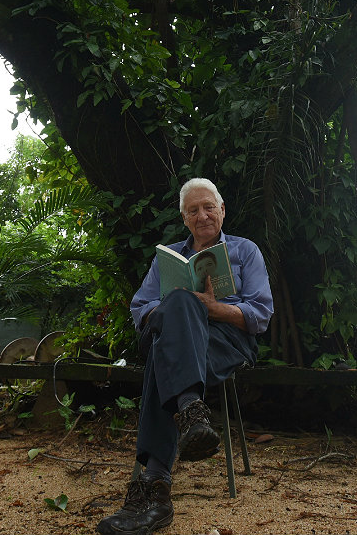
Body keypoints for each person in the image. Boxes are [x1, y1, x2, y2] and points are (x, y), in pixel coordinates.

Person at [97, 178, 274, 535]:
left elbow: (261, 313)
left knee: (164, 351)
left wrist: (213, 308)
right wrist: (177, 310)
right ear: (184, 218)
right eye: (193, 210)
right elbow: (140, 308)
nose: (202, 215)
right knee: (176, 307)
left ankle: (155, 487)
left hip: (225, 340)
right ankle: (191, 409)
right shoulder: (168, 258)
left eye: (209, 207)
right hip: (176, 335)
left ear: (222, 210)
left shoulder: (245, 251)